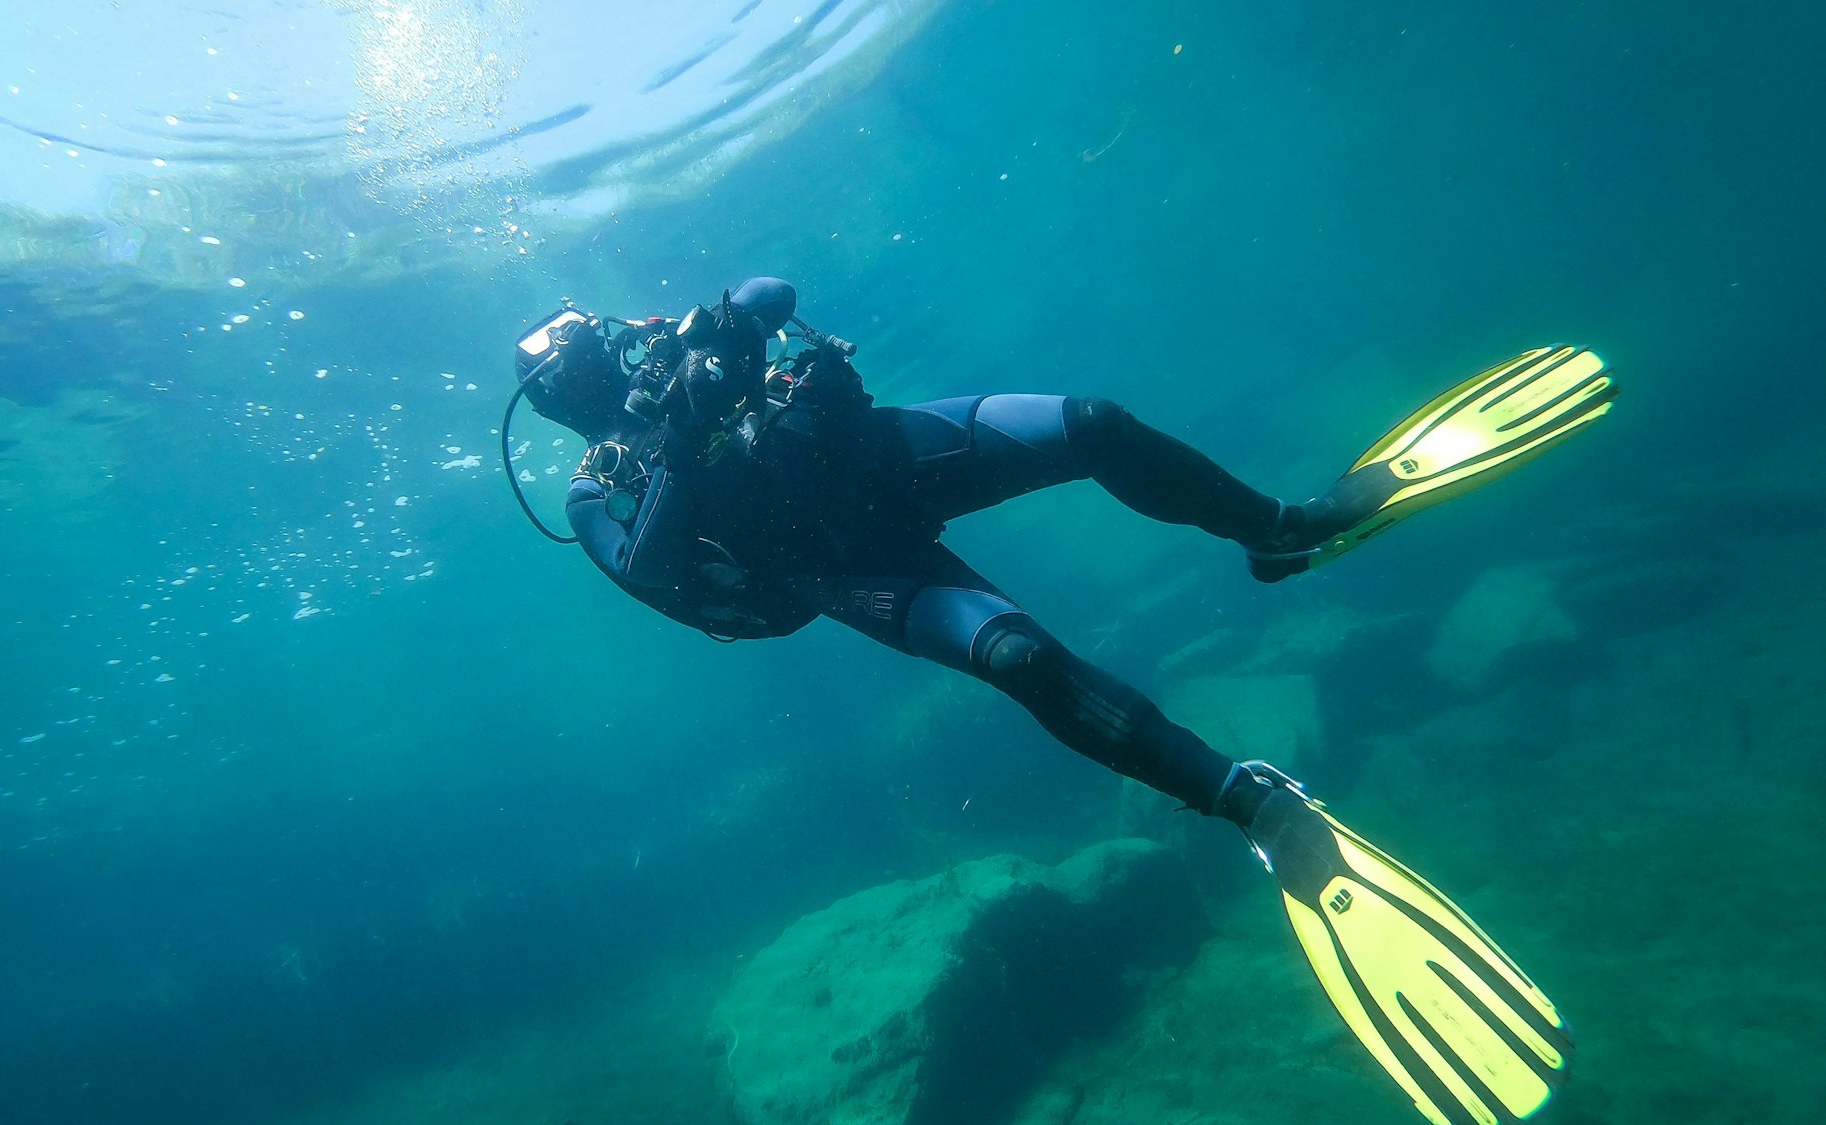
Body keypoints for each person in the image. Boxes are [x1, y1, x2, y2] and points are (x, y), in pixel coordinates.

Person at [503, 277, 1614, 1125]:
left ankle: (1280, 531)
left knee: (1091, 421)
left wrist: (732, 328)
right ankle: (1253, 803)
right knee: (1019, 657)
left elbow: (770, 292)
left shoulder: (675, 343)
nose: (605, 360)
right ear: (557, 406)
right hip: (847, 565)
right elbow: (649, 568)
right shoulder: (596, 487)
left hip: (885, 456)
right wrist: (685, 435)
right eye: (579, 367)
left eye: (597, 341)